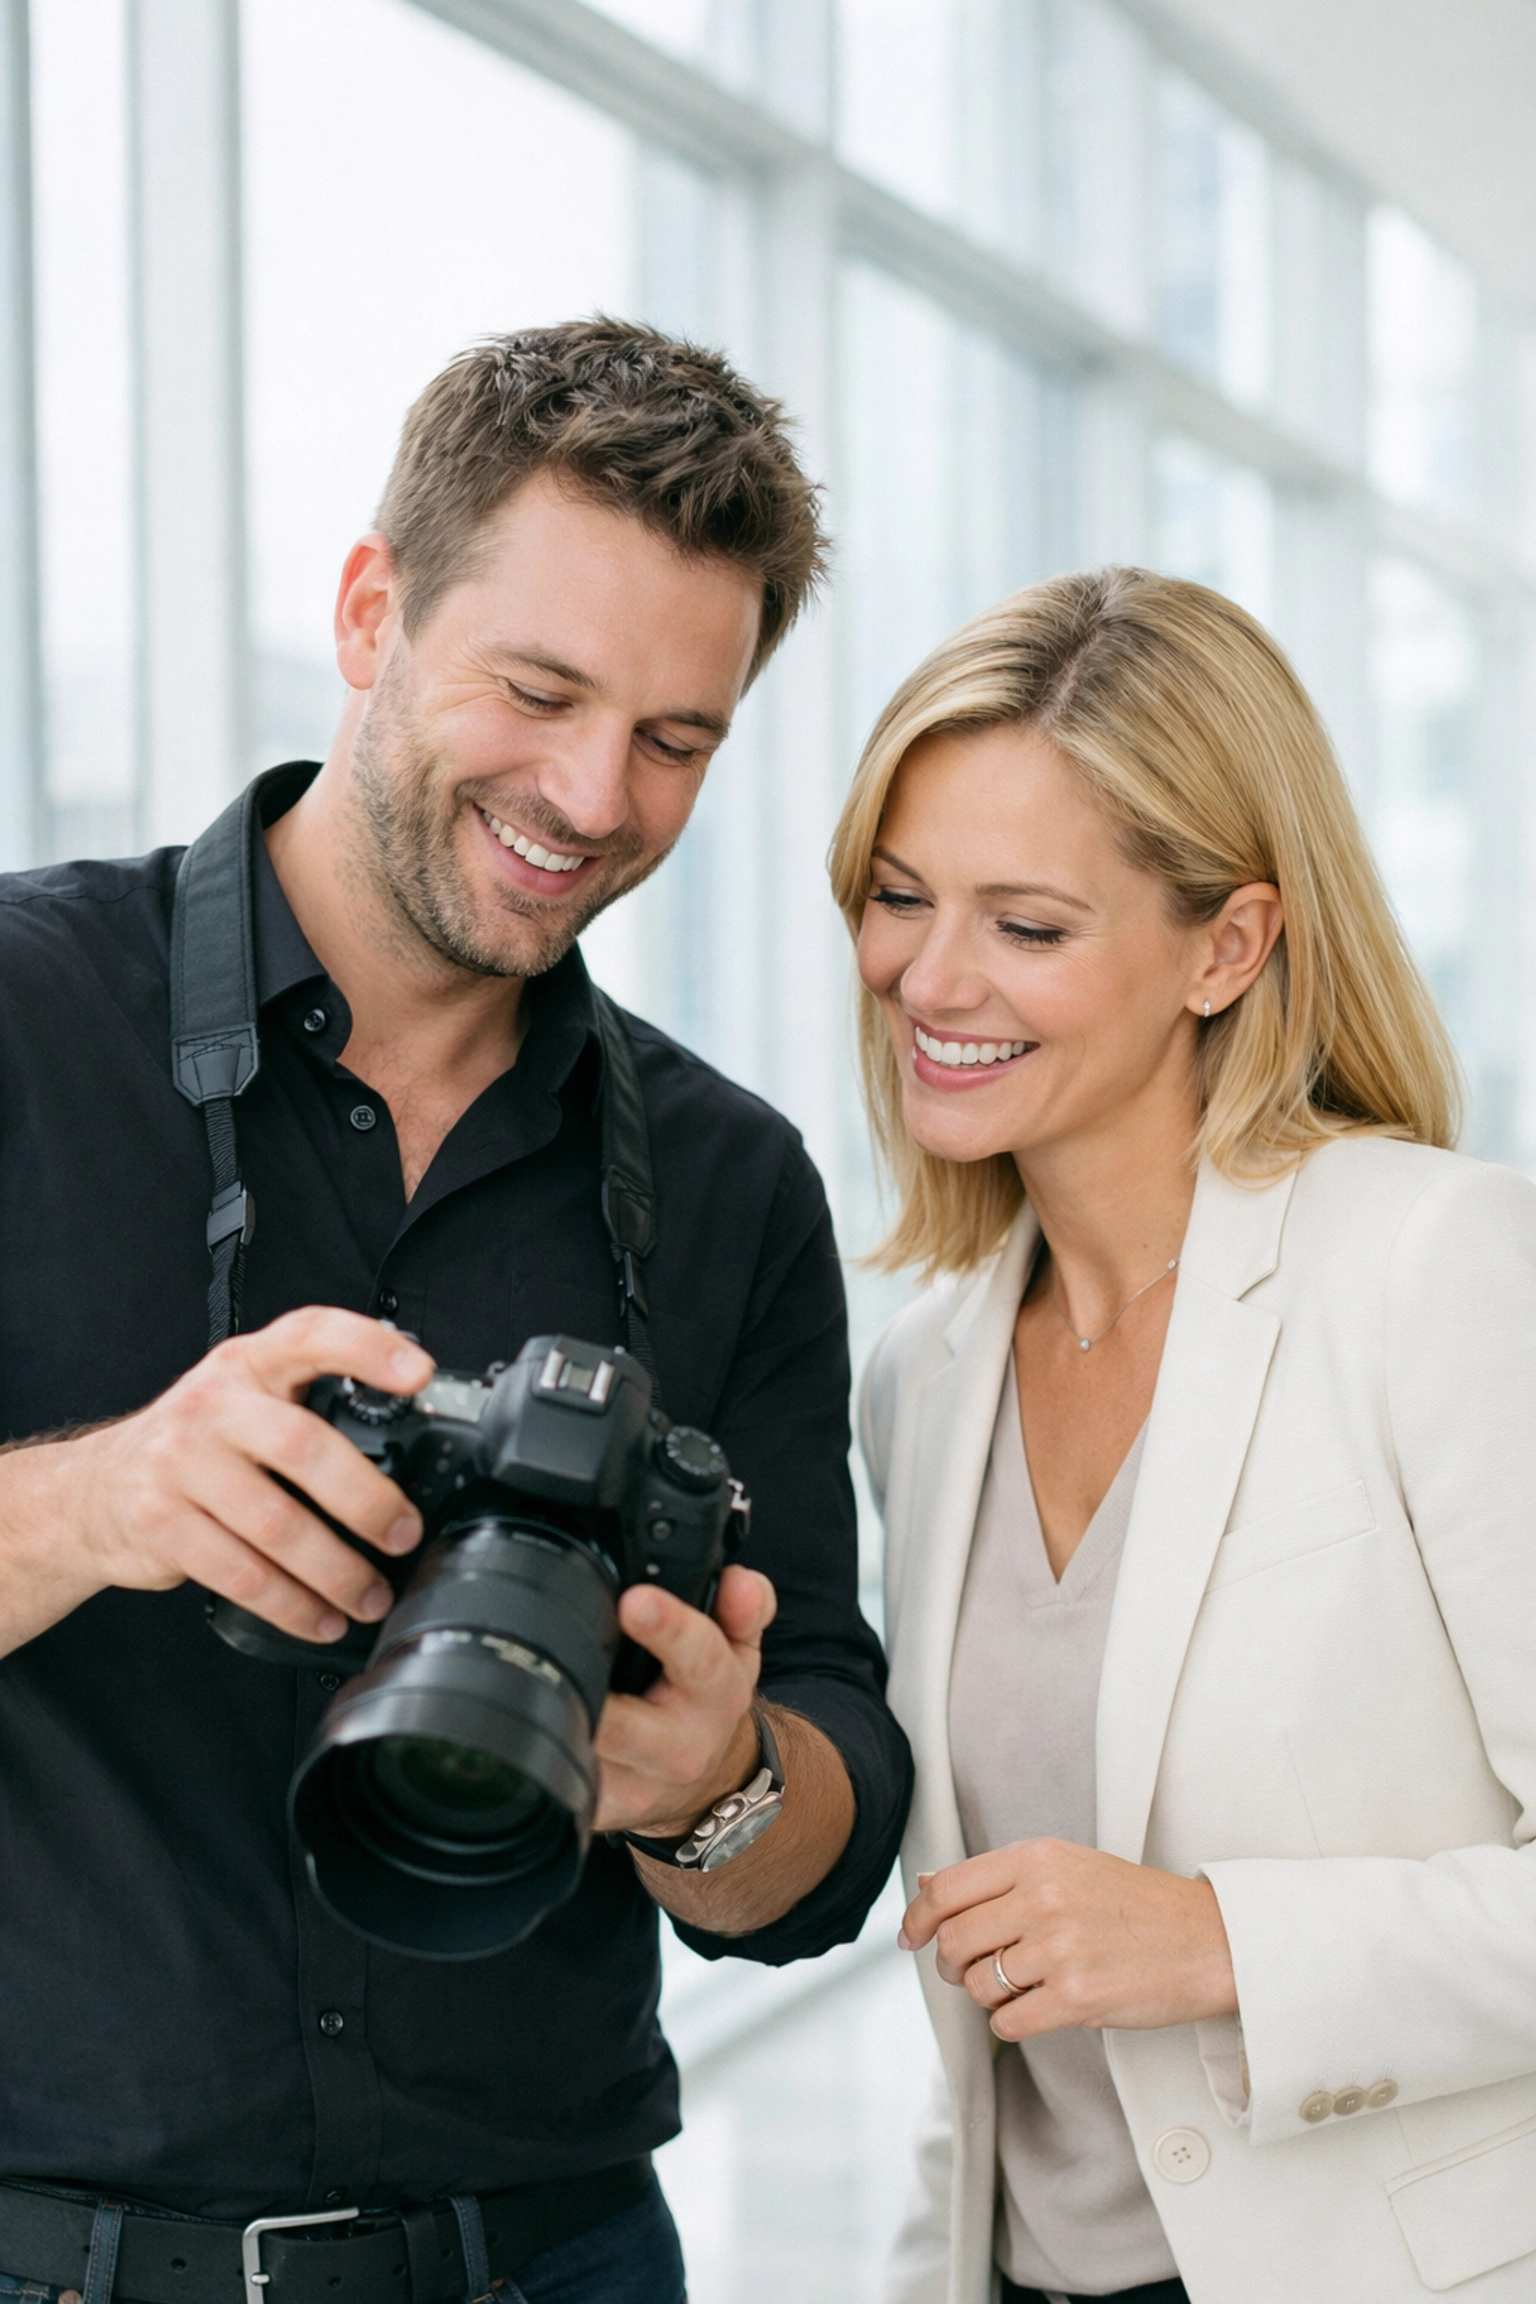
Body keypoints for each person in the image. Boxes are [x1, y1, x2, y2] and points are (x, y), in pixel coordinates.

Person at [0, 321, 911, 2304]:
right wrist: (101, 1506)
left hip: (550, 2258)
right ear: (368, 612)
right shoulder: (18, 1019)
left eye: (680, 736)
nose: (594, 795)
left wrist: (714, 1785)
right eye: (541, 689)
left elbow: (822, 1837)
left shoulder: (731, 1177)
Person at [830, 568, 1536, 2304]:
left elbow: (1137, 1950)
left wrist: (1222, 1941)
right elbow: (989, 2033)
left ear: (1227, 945)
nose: (932, 975)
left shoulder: (1433, 1266)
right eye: (900, 896)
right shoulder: (924, 1375)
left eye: (1031, 924)